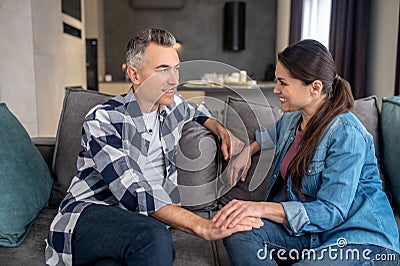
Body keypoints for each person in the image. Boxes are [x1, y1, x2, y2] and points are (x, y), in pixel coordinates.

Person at [45, 28, 263, 266]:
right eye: (163, 70)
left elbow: (198, 111)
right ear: (135, 75)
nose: (175, 80)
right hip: (92, 213)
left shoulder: (172, 107)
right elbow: (130, 191)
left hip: (138, 226)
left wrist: (221, 129)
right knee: (153, 238)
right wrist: (202, 226)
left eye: (176, 69)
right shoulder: (103, 119)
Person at [212, 39, 400, 265]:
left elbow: (331, 211)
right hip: (311, 235)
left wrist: (259, 208)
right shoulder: (293, 118)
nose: (276, 90)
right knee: (237, 229)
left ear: (315, 87)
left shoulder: (347, 134)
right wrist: (248, 151)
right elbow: (272, 134)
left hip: (358, 240)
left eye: (283, 83)